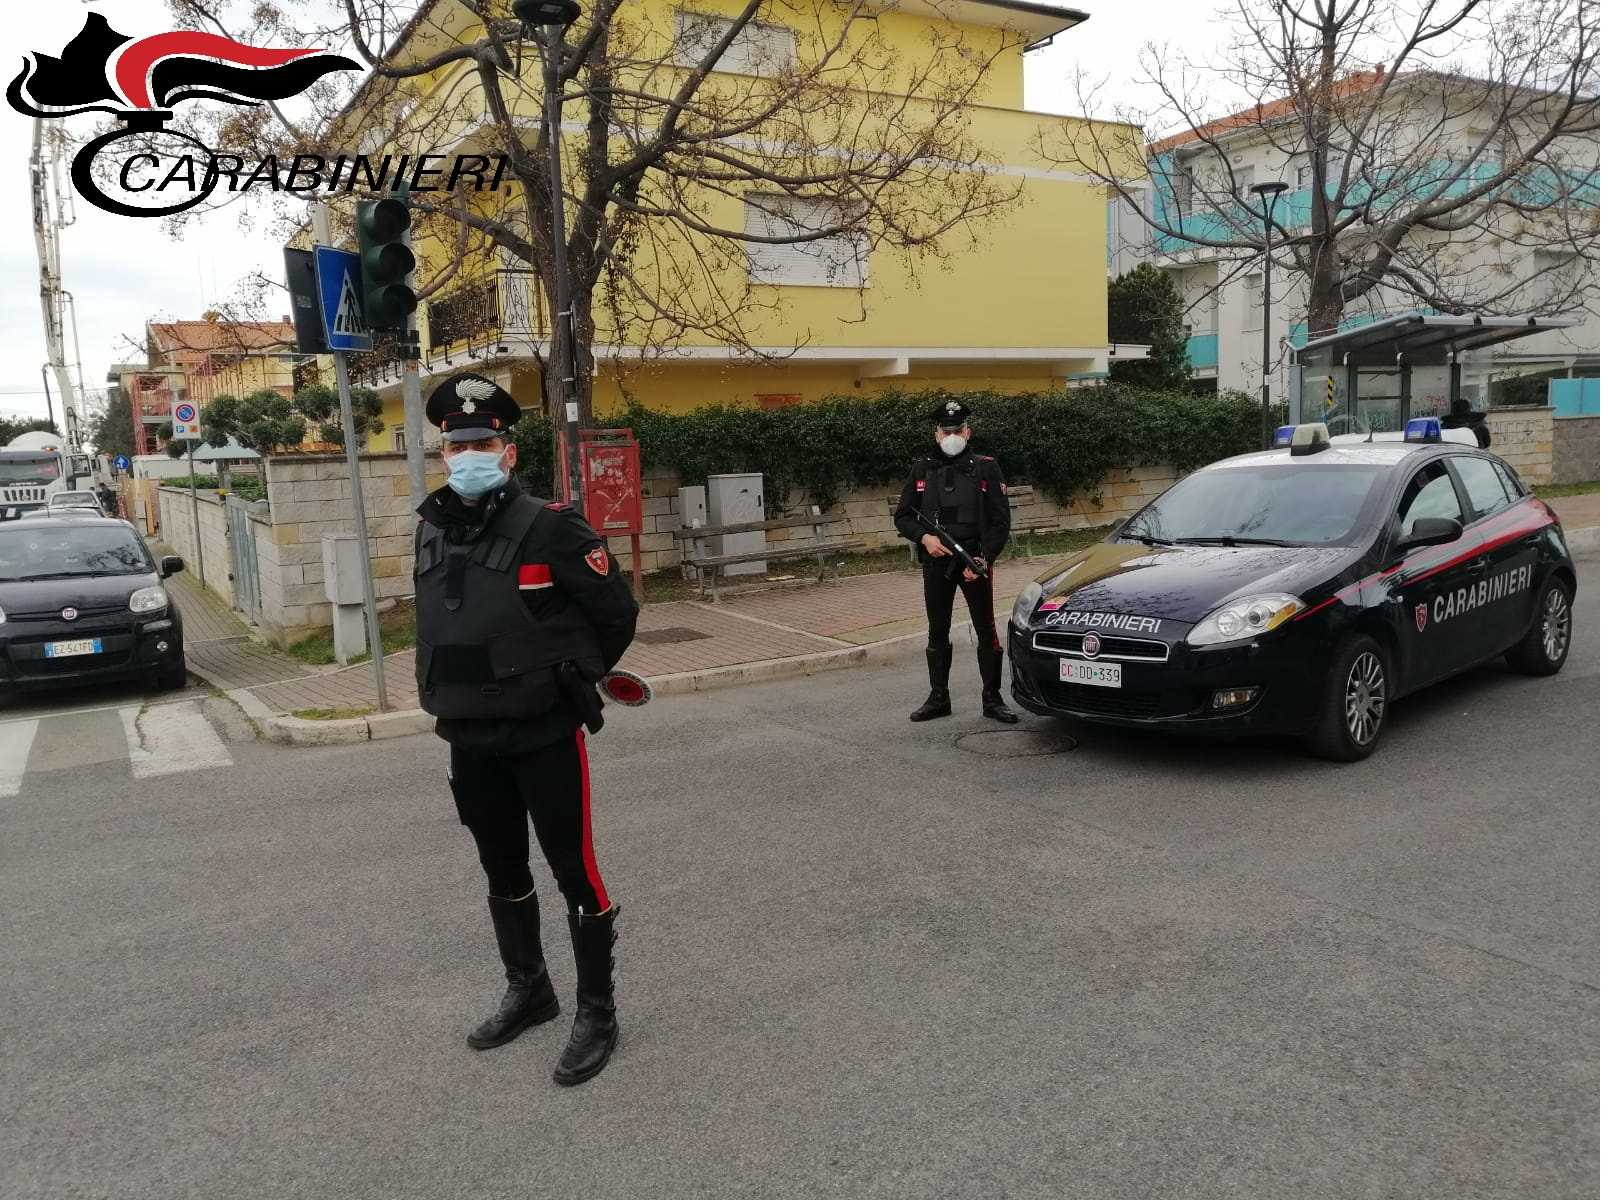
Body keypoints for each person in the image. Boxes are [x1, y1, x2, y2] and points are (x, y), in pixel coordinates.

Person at [415, 372, 639, 1085]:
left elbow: (616, 612)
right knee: (501, 868)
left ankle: (596, 1011)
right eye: (458, 443)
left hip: (542, 729)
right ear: (444, 452)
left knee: (575, 870)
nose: (470, 452)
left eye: (483, 441)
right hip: (466, 732)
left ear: (508, 451)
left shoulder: (551, 525)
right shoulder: (431, 527)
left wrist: (574, 674)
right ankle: (530, 988)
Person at [894, 400, 1017, 725]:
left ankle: (992, 699)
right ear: (936, 434)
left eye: (957, 430)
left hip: (974, 561)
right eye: (945, 430)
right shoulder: (922, 469)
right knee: (937, 629)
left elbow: (1000, 521)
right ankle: (938, 698)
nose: (951, 435)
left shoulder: (986, 467)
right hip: (936, 561)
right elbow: (903, 516)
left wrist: (984, 557)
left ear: (967, 431)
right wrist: (925, 538)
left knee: (985, 629)